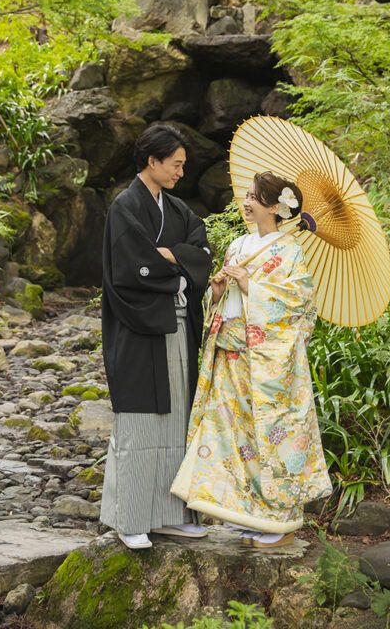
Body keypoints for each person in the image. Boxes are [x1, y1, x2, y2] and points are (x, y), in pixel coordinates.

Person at [169, 170, 332, 549]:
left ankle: (279, 518)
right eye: (245, 195)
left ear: (275, 207)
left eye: (254, 197)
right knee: (230, 434)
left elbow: (300, 305)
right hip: (231, 352)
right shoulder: (238, 246)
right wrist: (220, 290)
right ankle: (244, 511)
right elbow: (224, 305)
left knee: (268, 435)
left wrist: (250, 285)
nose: (246, 202)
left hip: (267, 362)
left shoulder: (290, 250)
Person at [98, 123, 214, 550]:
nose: (181, 172)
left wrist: (173, 258)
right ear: (153, 161)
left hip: (178, 326)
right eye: (176, 164)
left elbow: (201, 250)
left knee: (178, 419)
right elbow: (129, 270)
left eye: (184, 165)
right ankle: (130, 519)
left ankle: (171, 515)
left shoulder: (178, 209)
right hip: (138, 327)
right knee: (140, 426)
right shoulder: (124, 207)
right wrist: (178, 269)